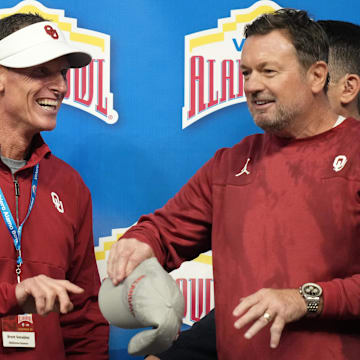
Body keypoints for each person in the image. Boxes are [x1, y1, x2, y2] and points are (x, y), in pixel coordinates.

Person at [108, 8, 360, 360]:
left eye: (268, 71)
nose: (252, 85)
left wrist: (305, 299)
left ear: (317, 76)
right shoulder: (230, 164)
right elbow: (164, 230)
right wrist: (140, 242)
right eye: (246, 73)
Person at [0, 13, 108, 359]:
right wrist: (11, 296)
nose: (60, 86)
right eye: (40, 71)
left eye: (61, 73)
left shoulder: (69, 184)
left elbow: (83, 314)